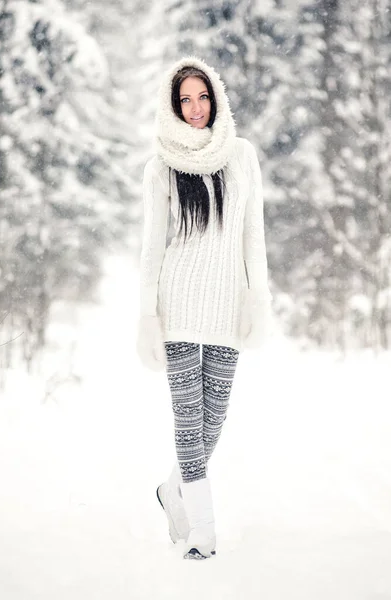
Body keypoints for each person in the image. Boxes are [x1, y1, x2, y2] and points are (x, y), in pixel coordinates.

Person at [136, 56, 272, 560]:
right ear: (173, 108)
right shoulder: (161, 165)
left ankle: (174, 489)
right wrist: (147, 314)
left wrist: (258, 295)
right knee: (187, 418)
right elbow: (153, 246)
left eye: (202, 96)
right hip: (177, 304)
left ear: (216, 97)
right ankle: (204, 528)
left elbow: (253, 235)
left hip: (227, 304)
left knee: (214, 418)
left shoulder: (241, 156)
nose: (195, 108)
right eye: (185, 100)